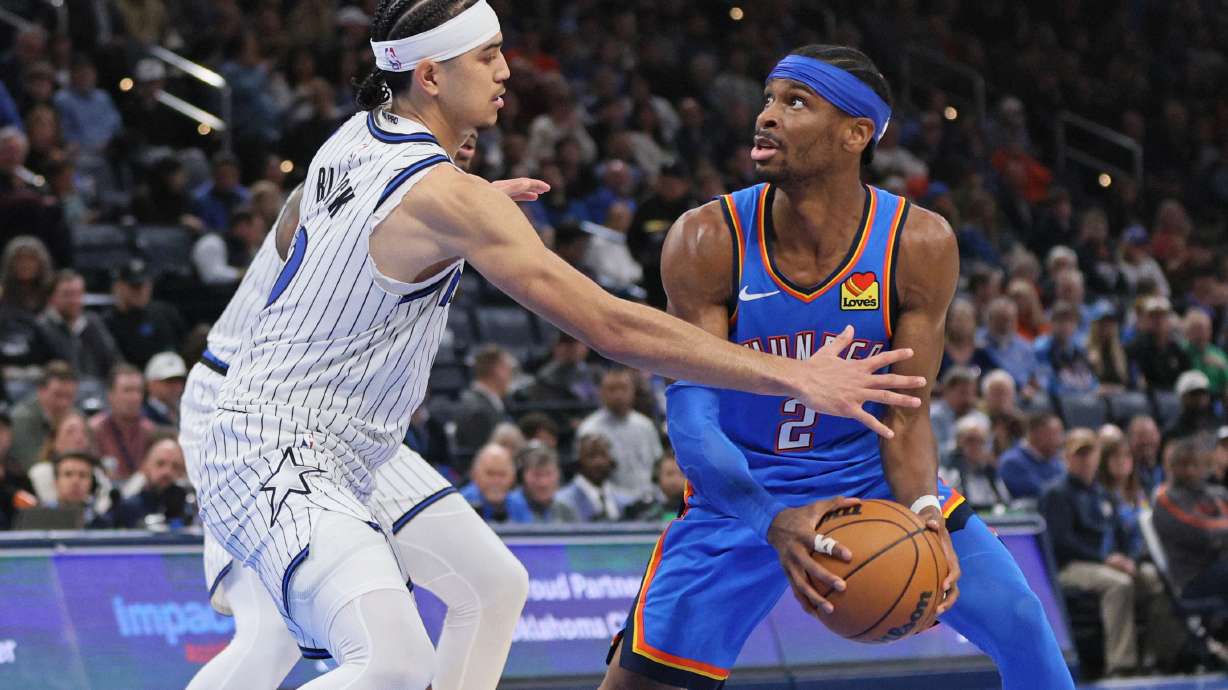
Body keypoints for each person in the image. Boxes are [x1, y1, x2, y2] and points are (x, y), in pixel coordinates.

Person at [196, 8, 921, 687]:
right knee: (389, 662)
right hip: (278, 444)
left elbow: (298, 226)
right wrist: (795, 378)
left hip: (357, 444)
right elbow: (613, 327)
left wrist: (447, 231)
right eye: (488, 56)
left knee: (492, 585)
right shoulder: (447, 195)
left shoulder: (362, 135)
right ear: (431, 76)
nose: (507, 70)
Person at [602, 45, 1071, 690]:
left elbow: (906, 414)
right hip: (742, 489)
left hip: (869, 477)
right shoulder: (708, 239)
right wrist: (768, 517)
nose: (767, 116)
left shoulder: (917, 242)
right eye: (768, 99)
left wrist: (927, 512)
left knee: (1020, 617)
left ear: (857, 135)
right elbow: (691, 421)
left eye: (795, 103)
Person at [184, 135, 552, 690]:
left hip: (346, 428)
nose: (475, 130)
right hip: (249, 411)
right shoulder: (358, 171)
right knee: (275, 637)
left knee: (495, 585)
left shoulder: (439, 200)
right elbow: (303, 214)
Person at [1040, 429, 1150, 676]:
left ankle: (1159, 656)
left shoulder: (1104, 494)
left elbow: (1122, 535)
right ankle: (1121, 664)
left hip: (1107, 563)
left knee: (1153, 580)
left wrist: (1130, 560)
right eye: (1079, 454)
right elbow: (1061, 542)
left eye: (1090, 453)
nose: (1085, 459)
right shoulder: (1056, 493)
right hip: (1071, 567)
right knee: (1119, 584)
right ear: (1067, 457)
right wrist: (1107, 559)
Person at [1153, 440, 1228, 600]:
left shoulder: (1216, 494)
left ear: (1204, 466)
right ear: (1171, 467)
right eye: (1183, 465)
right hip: (1192, 577)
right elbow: (1202, 533)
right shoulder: (1166, 499)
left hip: (1220, 566)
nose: (1190, 470)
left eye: (1195, 464)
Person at [577, 369, 664, 504]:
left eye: (623, 388)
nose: (618, 395)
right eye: (612, 389)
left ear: (633, 391)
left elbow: (657, 465)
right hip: (610, 504)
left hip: (648, 500)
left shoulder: (646, 426)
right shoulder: (589, 429)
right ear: (601, 392)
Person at [36, 270, 121, 382]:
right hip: (62, 391)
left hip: (98, 388)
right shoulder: (41, 327)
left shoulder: (93, 322)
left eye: (78, 294)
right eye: (67, 295)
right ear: (51, 298)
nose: (74, 300)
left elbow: (114, 360)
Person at [104, 259, 188, 369]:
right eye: (135, 286)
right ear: (119, 286)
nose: (141, 291)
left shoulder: (166, 312)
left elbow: (183, 345)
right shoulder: (108, 322)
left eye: (144, 285)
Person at [89, 364, 155, 480]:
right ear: (110, 395)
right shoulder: (94, 429)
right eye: (128, 390)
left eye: (138, 391)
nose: (135, 397)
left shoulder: (150, 431)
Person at [9, 361, 78, 473]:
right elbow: (32, 467)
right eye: (58, 395)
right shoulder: (21, 419)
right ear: (40, 390)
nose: (64, 403)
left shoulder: (76, 416)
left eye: (69, 396)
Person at [113, 435, 190, 528]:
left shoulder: (190, 508)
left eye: (175, 466)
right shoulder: (128, 508)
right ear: (145, 466)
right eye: (160, 463)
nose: (167, 471)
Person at [454, 344, 515, 459]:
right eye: (509, 369)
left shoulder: (486, 403)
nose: (511, 375)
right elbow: (481, 457)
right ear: (498, 370)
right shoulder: (478, 410)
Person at [943, 415, 1011, 513]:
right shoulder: (947, 472)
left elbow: (1005, 502)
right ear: (958, 442)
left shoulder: (990, 472)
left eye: (980, 441)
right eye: (970, 440)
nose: (975, 446)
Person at [999, 412, 1066, 502]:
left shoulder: (1056, 461)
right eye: (1055, 434)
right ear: (1037, 434)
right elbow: (1040, 493)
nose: (1060, 440)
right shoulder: (1012, 462)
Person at [556, 433, 624, 522]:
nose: (598, 462)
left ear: (611, 461)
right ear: (578, 462)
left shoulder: (624, 502)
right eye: (592, 456)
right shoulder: (561, 502)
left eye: (603, 455)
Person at [506, 443, 575, 523]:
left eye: (548, 474)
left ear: (558, 475)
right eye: (537, 474)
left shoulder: (566, 510)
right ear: (523, 476)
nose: (543, 483)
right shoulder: (507, 507)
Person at [459, 443, 524, 523]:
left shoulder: (520, 504)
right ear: (475, 475)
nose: (496, 481)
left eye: (502, 474)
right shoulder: (460, 503)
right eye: (490, 473)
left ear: (513, 477)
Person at [142, 352, 186, 428]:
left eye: (180, 381)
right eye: (170, 381)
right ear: (151, 384)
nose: (177, 387)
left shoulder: (189, 411)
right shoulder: (142, 416)